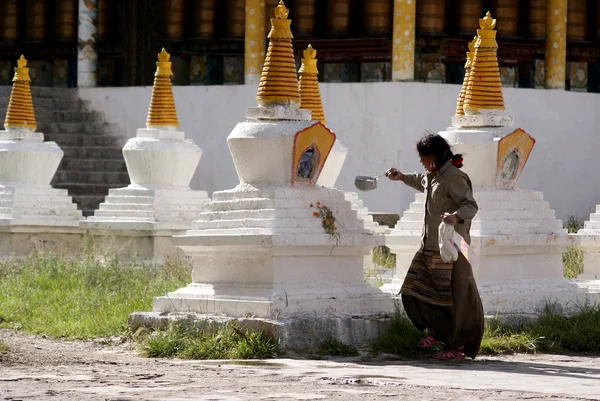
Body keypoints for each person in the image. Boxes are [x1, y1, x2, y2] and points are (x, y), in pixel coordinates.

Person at [385, 133, 484, 360]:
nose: (421, 163)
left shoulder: (455, 177)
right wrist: (401, 177)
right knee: (414, 291)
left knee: (457, 299)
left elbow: (470, 205)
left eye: (423, 159)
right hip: (429, 247)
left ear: (434, 157)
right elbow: (421, 180)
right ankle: (438, 333)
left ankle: (457, 346)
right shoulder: (434, 175)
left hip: (454, 248)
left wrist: (456, 217)